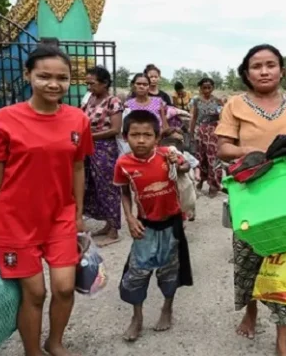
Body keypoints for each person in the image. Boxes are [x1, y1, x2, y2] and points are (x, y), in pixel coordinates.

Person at [0, 44, 93, 356]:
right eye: (44, 76)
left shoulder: (78, 120)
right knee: (35, 292)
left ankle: (56, 342)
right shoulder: (4, 119)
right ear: (28, 75)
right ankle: (32, 352)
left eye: (62, 78)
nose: (54, 84)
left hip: (60, 217)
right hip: (16, 221)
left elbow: (78, 168)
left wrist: (78, 213)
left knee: (65, 287)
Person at [216, 44, 286, 356]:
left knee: (285, 267)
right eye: (256, 66)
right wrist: (253, 153)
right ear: (246, 73)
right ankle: (251, 312)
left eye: (270, 64)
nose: (264, 71)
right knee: (248, 261)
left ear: (282, 70)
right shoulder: (235, 105)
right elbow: (222, 148)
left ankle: (282, 340)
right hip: (250, 195)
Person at [114, 110, 193, 341]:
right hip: (145, 225)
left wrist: (177, 162)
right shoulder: (123, 163)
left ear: (157, 137)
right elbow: (124, 192)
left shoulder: (166, 154)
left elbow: (186, 167)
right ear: (125, 136)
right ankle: (136, 318)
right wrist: (129, 218)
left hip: (173, 223)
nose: (140, 140)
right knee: (137, 273)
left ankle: (167, 308)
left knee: (170, 271)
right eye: (134, 135)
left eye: (147, 135)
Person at [82, 66, 123, 246]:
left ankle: (114, 230)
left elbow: (115, 129)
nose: (89, 87)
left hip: (104, 149)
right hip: (88, 148)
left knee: (108, 187)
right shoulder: (89, 99)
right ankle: (107, 223)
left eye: (92, 83)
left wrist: (89, 136)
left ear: (104, 83)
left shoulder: (113, 102)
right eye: (87, 84)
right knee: (92, 186)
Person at [189, 77, 223, 197]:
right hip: (201, 131)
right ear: (201, 88)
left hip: (214, 132)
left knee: (213, 157)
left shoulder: (218, 101)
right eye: (204, 87)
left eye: (209, 87)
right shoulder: (196, 101)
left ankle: (214, 185)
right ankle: (200, 181)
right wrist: (191, 132)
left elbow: (223, 117)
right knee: (200, 156)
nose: (207, 90)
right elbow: (193, 117)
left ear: (213, 88)